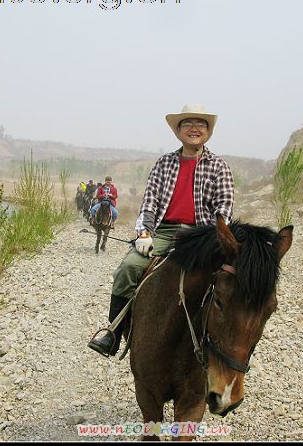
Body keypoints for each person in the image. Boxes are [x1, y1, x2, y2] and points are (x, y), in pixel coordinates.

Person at [88, 104, 234, 357]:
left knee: (230, 281)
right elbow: (149, 201)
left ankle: (228, 348)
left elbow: (223, 209)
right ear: (178, 130)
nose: (194, 129)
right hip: (164, 231)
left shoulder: (219, 167)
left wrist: (209, 239)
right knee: (128, 268)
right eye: (187, 124)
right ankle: (113, 333)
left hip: (201, 235)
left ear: (208, 131)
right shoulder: (164, 163)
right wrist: (145, 232)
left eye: (200, 124)